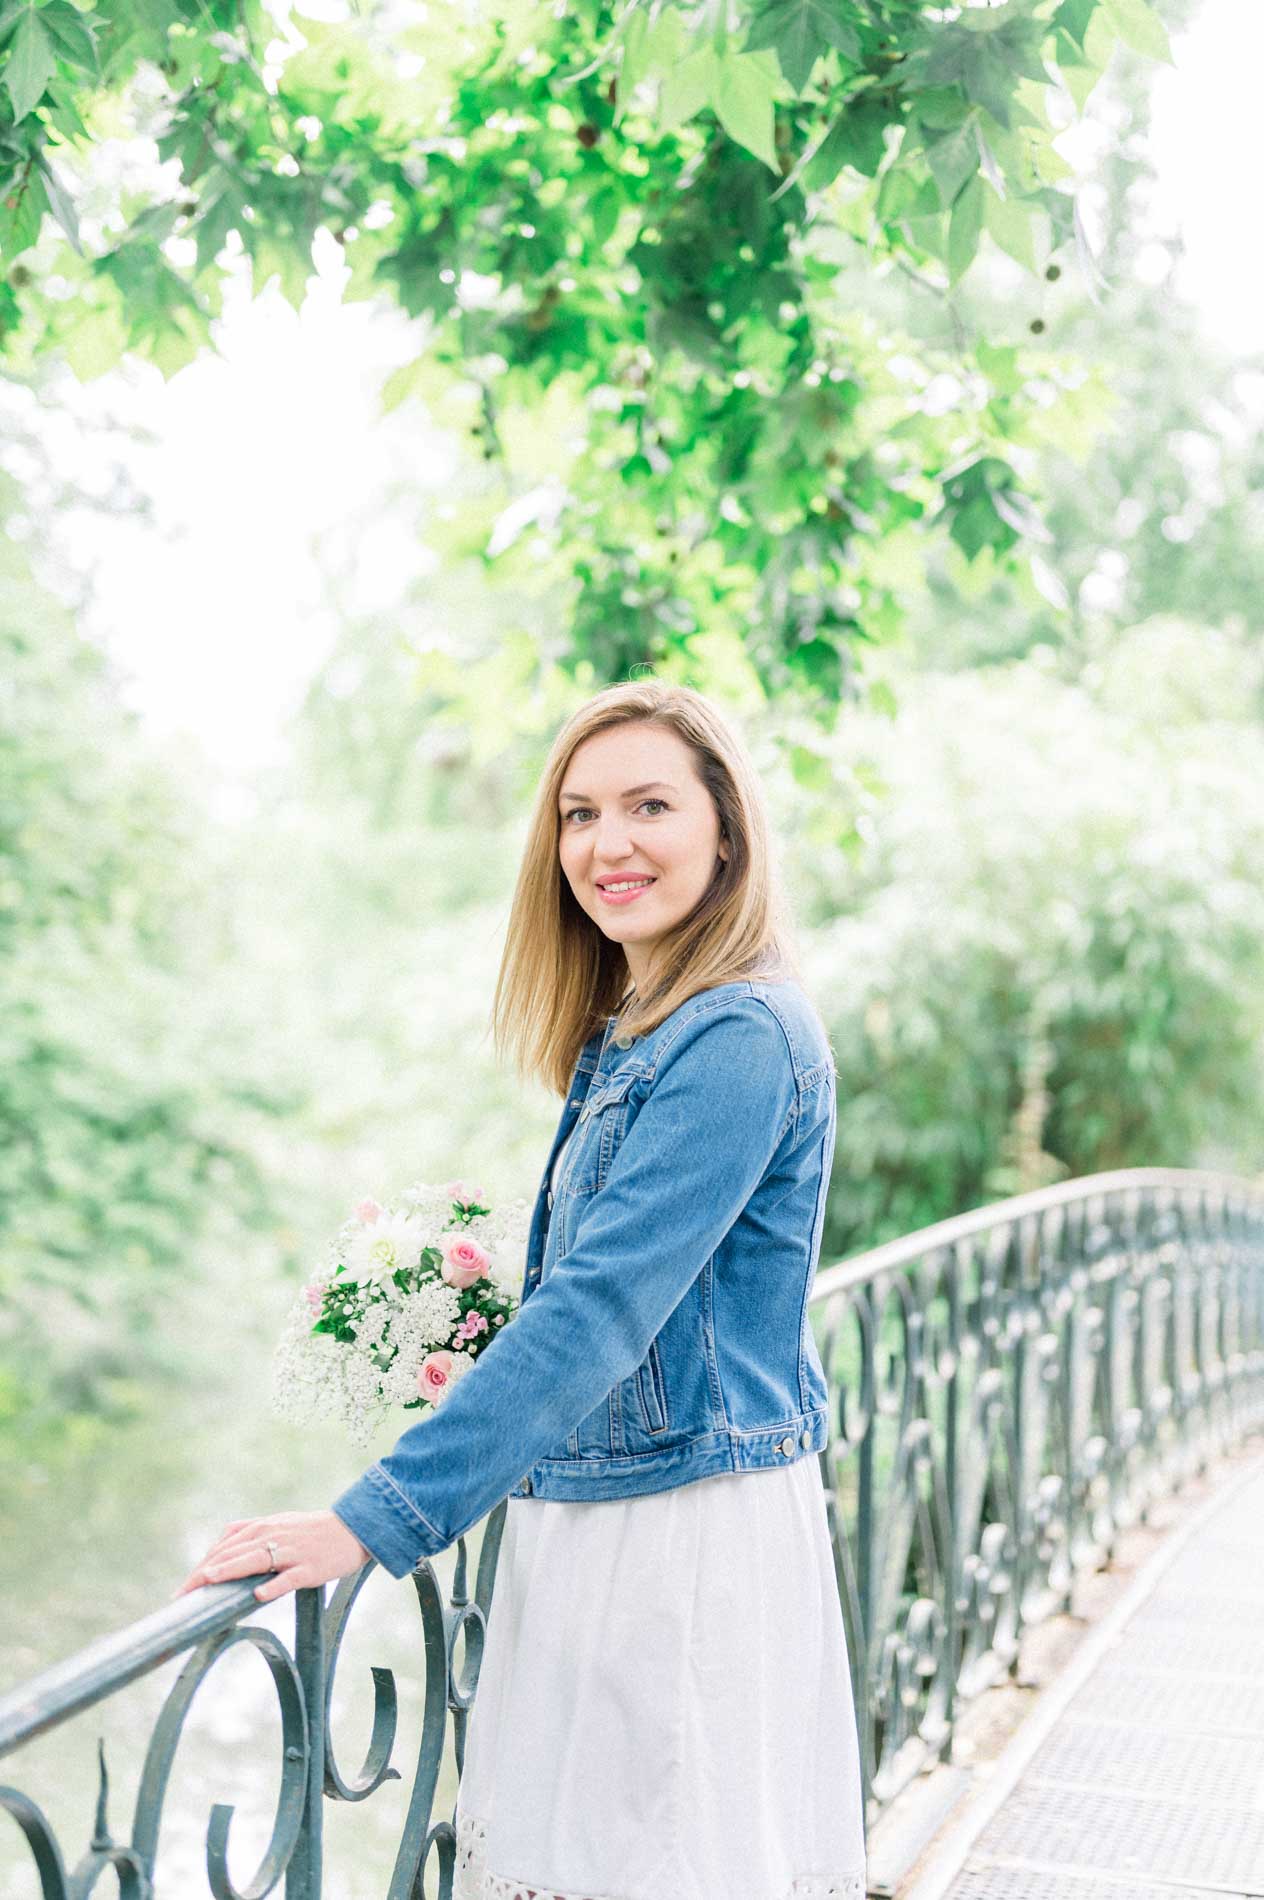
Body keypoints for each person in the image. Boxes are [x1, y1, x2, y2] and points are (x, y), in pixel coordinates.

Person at [176, 679, 868, 1900]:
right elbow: (619, 1289)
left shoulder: (739, 1036)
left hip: (680, 1529)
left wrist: (371, 1522)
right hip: (596, 1505)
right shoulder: (640, 1027)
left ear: (726, 826)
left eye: (649, 804)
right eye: (579, 813)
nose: (608, 844)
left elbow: (601, 1310)